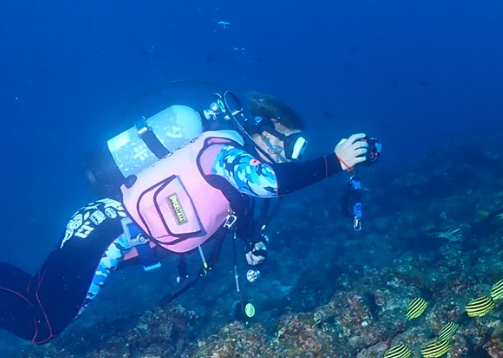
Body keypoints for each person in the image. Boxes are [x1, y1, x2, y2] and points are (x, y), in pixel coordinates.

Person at [0, 91, 372, 345]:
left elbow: (233, 212)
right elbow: (270, 182)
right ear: (261, 128)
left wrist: (252, 238)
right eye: (290, 143)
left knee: (37, 296)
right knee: (41, 323)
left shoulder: (229, 164)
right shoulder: (222, 153)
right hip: (110, 229)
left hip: (112, 232)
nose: (290, 154)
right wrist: (335, 162)